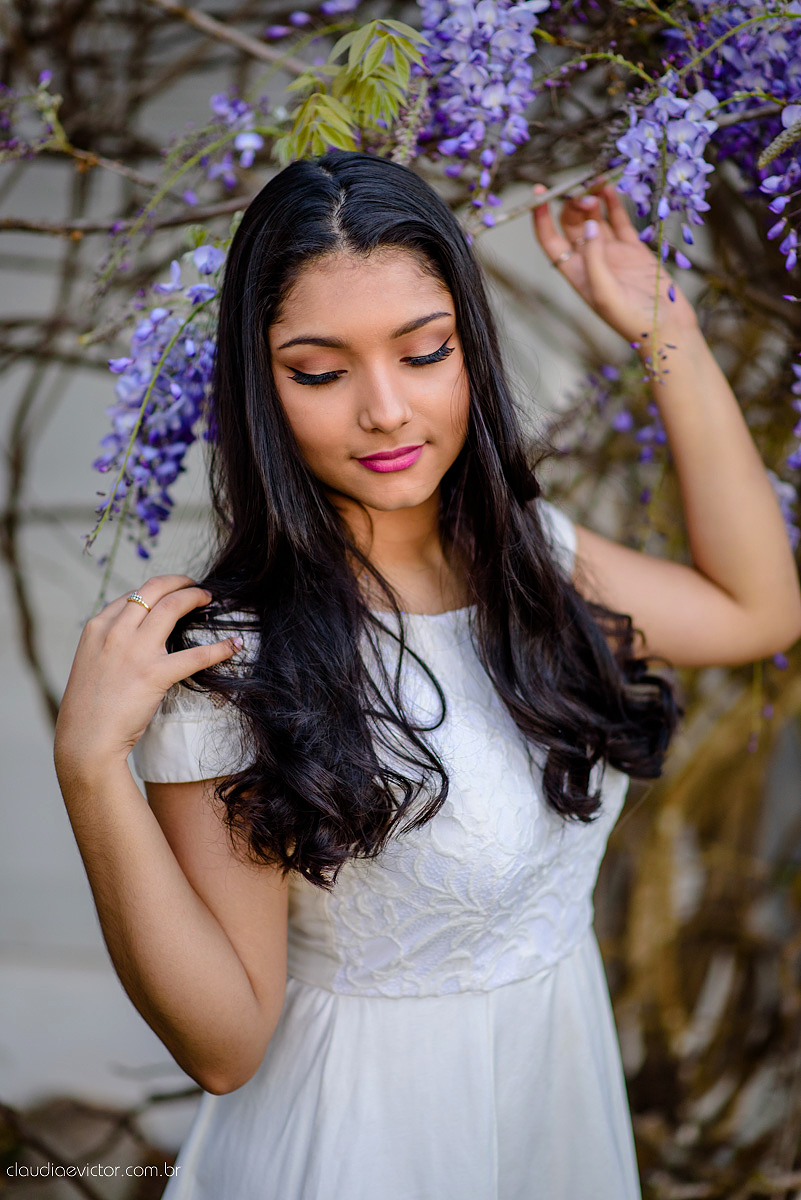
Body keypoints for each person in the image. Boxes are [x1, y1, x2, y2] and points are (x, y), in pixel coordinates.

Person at [54, 150, 801, 1199]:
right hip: (359, 1147)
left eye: (425, 352)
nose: (387, 411)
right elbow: (225, 1046)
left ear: (470, 349)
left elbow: (758, 609)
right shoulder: (240, 660)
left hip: (553, 1115)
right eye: (320, 371)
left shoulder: (534, 559)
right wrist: (90, 769)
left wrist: (661, 326)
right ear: (259, 387)